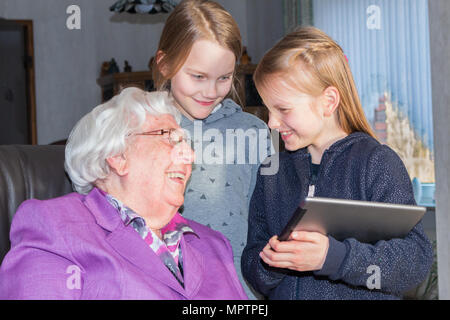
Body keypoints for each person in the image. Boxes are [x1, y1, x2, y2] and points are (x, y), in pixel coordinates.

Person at [241, 27, 433, 300]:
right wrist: (271, 262)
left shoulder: (376, 164)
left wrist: (332, 258)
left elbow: (414, 261)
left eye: (283, 110)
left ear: (328, 101)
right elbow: (252, 261)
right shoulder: (272, 172)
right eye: (268, 110)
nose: (271, 123)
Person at [0, 87, 247, 300]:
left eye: (186, 143)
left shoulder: (213, 245)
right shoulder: (55, 226)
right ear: (118, 155)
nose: (189, 156)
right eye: (170, 139)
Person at [152, 0, 273, 299]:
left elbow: (268, 219)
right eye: (198, 77)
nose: (210, 91)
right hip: (158, 287)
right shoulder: (139, 126)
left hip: (237, 291)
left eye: (223, 78)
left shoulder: (253, 132)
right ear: (165, 64)